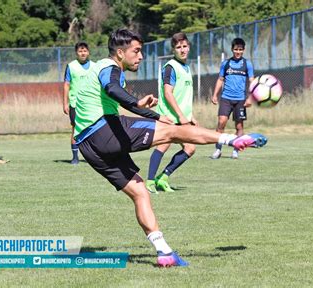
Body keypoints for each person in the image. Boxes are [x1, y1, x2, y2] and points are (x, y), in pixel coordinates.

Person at [74, 29, 267, 267]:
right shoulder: (108, 67)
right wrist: (138, 104)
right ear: (120, 52)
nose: (141, 56)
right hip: (103, 129)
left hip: (88, 145)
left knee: (140, 191)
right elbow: (112, 88)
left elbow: (124, 101)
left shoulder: (105, 70)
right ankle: (231, 140)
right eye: (136, 51)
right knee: (177, 131)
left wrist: (155, 115)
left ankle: (163, 252)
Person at [146, 32, 196, 194]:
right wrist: (181, 116)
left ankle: (163, 177)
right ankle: (150, 182)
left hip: (181, 117)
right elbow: (168, 93)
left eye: (185, 46)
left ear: (189, 47)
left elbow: (184, 96)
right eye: (178, 47)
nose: (182, 50)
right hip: (168, 116)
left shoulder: (186, 68)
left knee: (190, 148)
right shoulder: (171, 67)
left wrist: (189, 115)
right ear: (173, 50)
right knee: (163, 146)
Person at [210, 38, 254, 159]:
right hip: (226, 98)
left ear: (243, 50)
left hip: (240, 100)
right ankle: (218, 150)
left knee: (239, 127)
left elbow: (252, 82)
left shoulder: (247, 64)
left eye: (240, 49)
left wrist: (250, 98)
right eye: (236, 49)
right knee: (221, 122)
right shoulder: (226, 63)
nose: (238, 52)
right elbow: (220, 79)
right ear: (232, 49)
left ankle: (235, 151)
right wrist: (215, 95)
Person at [63, 41, 94, 164]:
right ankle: (75, 157)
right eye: (80, 51)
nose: (83, 53)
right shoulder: (71, 66)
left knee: (93, 129)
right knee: (75, 129)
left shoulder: (95, 66)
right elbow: (66, 84)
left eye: (85, 51)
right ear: (76, 53)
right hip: (75, 104)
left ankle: (92, 156)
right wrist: (65, 103)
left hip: (91, 104)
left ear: (88, 52)